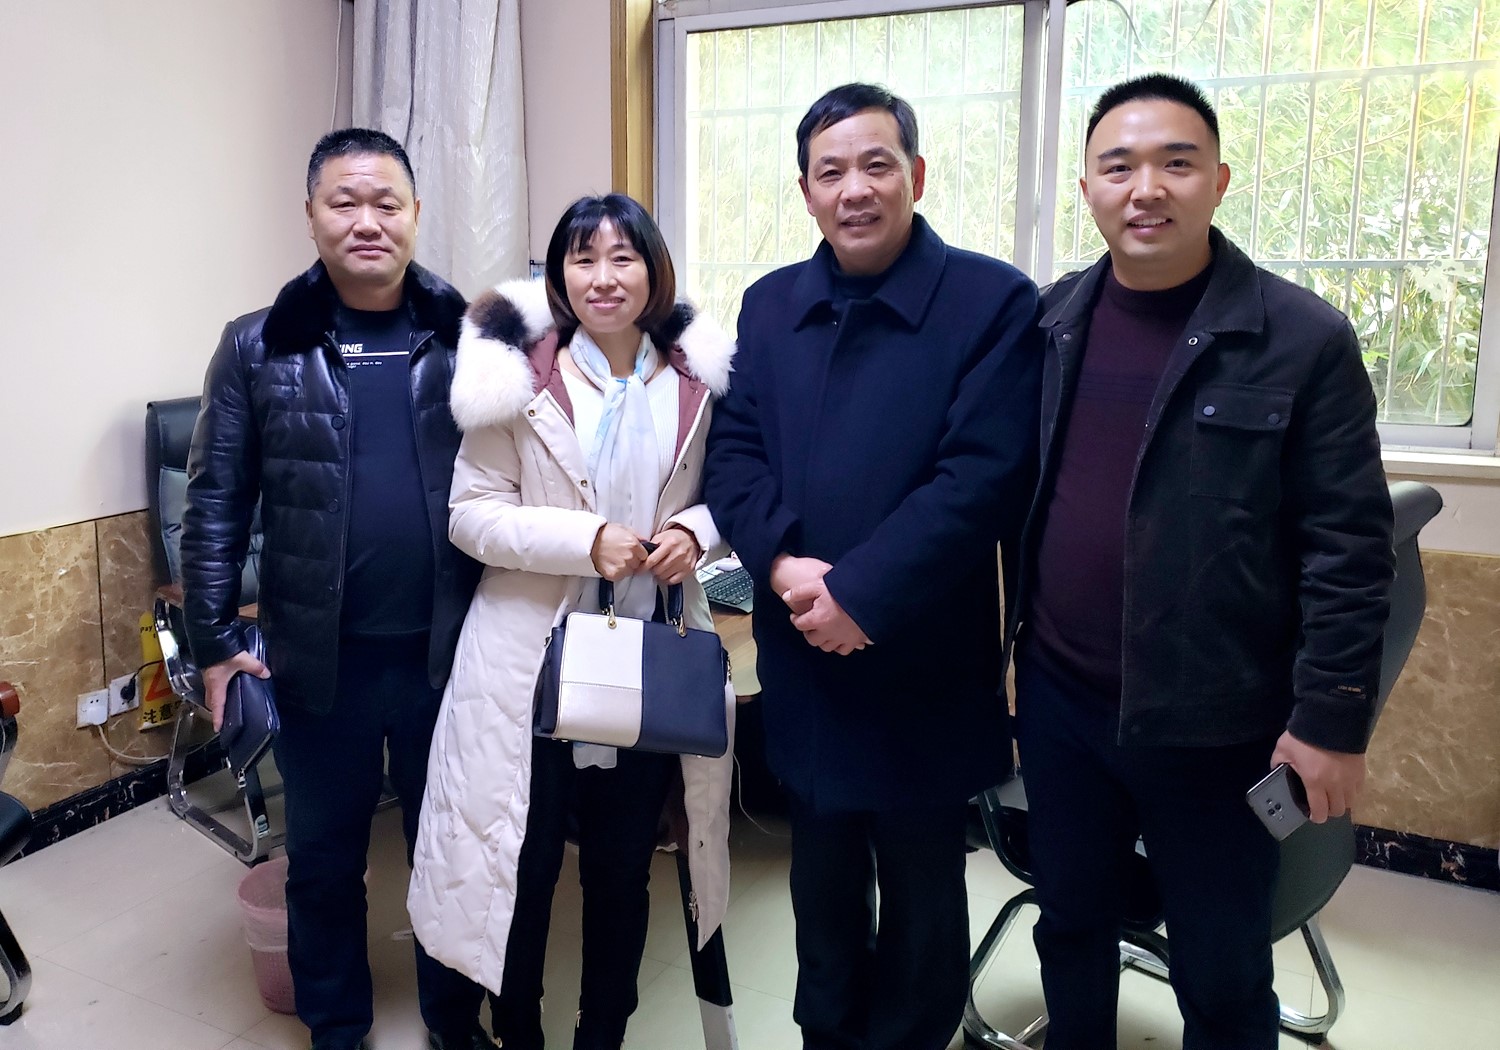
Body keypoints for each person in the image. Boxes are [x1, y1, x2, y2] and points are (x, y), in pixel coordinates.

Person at [1012, 73, 1395, 1050]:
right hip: (1062, 706)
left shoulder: (1301, 338)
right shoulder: (1048, 325)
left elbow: (1350, 549)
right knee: (1071, 929)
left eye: (1175, 163)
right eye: (1118, 167)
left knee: (1222, 974)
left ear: (1218, 181)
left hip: (1217, 723)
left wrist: (1330, 721)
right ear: (1087, 190)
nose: (1146, 188)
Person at [702, 83, 1042, 1050]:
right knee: (820, 888)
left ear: (916, 176)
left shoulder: (991, 301)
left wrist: (859, 592)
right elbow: (735, 455)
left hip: (921, 662)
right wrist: (779, 566)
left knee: (925, 896)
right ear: (806, 191)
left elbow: (980, 478)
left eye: (876, 165)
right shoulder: (771, 305)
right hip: (806, 659)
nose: (854, 189)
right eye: (831, 172)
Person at [179, 128, 494, 1050]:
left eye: (385, 202)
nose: (366, 221)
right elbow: (215, 502)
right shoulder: (256, 346)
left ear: (416, 214)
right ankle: (336, 1024)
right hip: (320, 663)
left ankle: (454, 1019)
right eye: (343, 202)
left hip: (452, 654)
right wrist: (213, 645)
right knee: (321, 863)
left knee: (452, 852)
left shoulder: (471, 338)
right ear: (311, 214)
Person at [407, 193, 737, 1050]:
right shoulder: (520, 378)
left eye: (623, 257)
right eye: (583, 259)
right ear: (558, 275)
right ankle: (518, 1029)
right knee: (521, 866)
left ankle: (603, 1035)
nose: (603, 277)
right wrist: (585, 542)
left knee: (624, 870)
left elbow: (730, 495)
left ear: (654, 270)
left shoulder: (695, 383)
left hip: (647, 665)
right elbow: (470, 515)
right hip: (531, 664)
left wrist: (693, 533)